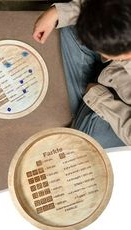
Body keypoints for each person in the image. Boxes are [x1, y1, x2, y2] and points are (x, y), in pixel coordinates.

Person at [33, 0, 131, 148]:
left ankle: (83, 115)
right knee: (71, 29)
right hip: (116, 74)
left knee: (83, 144)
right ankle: (83, 113)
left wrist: (98, 98)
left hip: (123, 112)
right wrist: (59, 12)